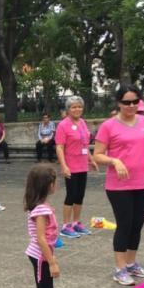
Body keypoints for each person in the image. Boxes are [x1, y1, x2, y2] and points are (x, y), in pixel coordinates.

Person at [92, 85, 144, 286]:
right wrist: (114, 161)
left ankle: (131, 263)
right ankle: (120, 269)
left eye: (135, 101)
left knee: (137, 225)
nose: (131, 105)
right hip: (118, 186)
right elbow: (97, 155)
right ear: (119, 103)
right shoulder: (108, 126)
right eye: (127, 102)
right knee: (124, 225)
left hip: (141, 182)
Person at [22, 163, 68, 288]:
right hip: (41, 257)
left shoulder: (40, 206)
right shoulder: (41, 210)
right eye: (55, 181)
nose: (56, 184)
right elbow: (41, 239)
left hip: (40, 255)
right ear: (48, 185)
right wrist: (52, 262)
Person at [55, 95, 96, 239]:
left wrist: (91, 159)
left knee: (80, 195)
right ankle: (65, 226)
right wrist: (64, 166)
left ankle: (76, 222)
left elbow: (84, 144)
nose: (77, 109)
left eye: (79, 107)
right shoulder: (63, 125)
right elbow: (59, 147)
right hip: (71, 165)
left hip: (82, 164)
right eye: (73, 107)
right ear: (68, 109)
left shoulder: (83, 122)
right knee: (71, 195)